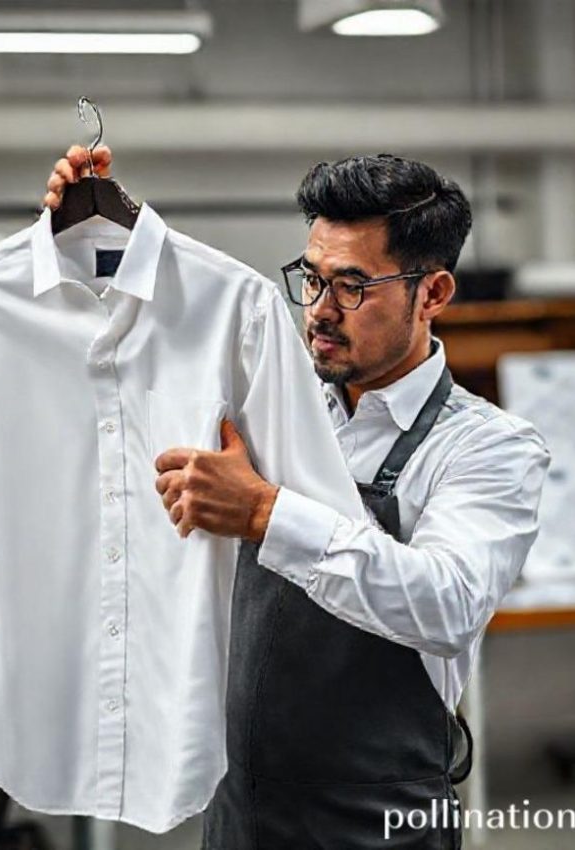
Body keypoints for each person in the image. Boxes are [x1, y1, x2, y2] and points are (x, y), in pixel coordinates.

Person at [44, 148, 549, 849]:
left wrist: (264, 513)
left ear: (431, 294)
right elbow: (138, 353)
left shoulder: (489, 448)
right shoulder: (267, 411)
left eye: (352, 287)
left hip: (378, 829)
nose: (317, 311)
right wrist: (95, 233)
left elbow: (447, 603)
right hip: (240, 815)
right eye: (310, 279)